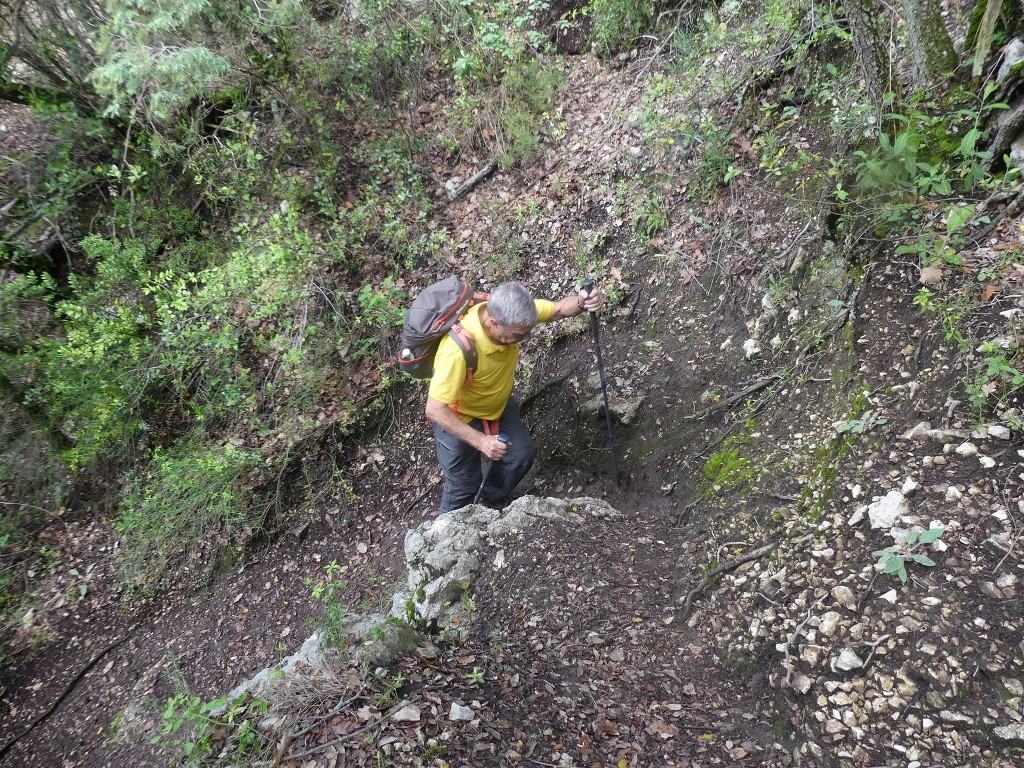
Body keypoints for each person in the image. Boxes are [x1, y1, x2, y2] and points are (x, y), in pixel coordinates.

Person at [425, 280, 605, 512]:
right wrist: (481, 442)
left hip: (496, 405)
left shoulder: (513, 313)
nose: (528, 337)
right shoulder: (457, 350)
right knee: (463, 486)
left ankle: (488, 498)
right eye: (521, 334)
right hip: (458, 416)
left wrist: (582, 302)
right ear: (494, 323)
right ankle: (445, 537)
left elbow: (559, 309)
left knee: (520, 456)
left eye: (529, 330)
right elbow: (435, 408)